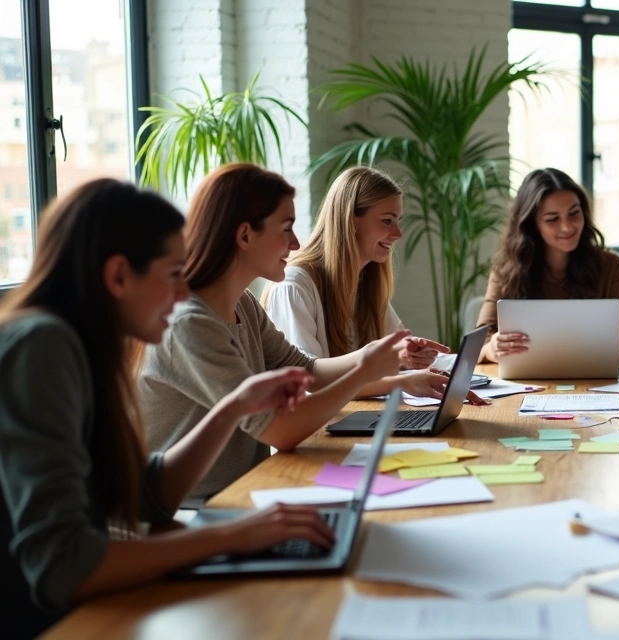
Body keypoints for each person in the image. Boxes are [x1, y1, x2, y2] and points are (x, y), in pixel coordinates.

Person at [0, 179, 334, 639]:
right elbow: (65, 566)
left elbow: (147, 497)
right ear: (118, 276)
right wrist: (233, 536)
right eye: (173, 274)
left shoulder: (84, 348)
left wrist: (233, 407)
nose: (182, 294)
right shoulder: (42, 346)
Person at [140, 164, 419, 504]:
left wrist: (368, 357)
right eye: (286, 228)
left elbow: (305, 369)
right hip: (202, 507)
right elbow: (279, 430)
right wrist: (363, 372)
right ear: (245, 236)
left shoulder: (243, 303)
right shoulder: (190, 323)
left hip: (250, 489)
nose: (297, 242)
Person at [262, 166, 455, 400]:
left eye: (397, 221)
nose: (398, 234)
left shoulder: (366, 280)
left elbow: (397, 349)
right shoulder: (294, 286)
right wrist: (399, 382)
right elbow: (309, 384)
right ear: (351, 221)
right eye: (386, 221)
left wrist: (412, 355)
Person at [477, 167, 619, 363]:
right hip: (526, 383)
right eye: (552, 219)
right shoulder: (506, 269)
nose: (567, 226)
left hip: (594, 383)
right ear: (533, 224)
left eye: (574, 213)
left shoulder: (611, 266)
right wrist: (492, 348)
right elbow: (479, 345)